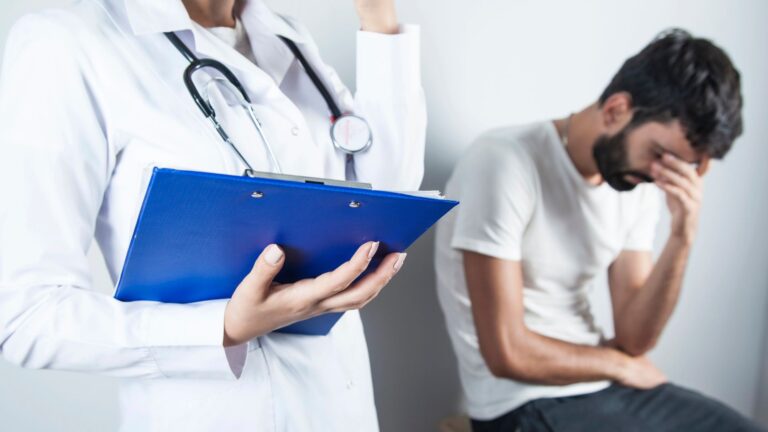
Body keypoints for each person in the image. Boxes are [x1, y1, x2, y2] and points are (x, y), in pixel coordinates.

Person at [0, 0, 424, 430]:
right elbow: (22, 316)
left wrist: (378, 20)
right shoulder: (66, 42)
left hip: (341, 405)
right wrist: (222, 327)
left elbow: (388, 197)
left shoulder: (285, 36)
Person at [435, 29, 763, 431]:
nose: (659, 173)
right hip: (519, 402)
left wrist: (683, 234)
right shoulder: (504, 162)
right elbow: (506, 352)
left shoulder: (636, 181)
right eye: (659, 153)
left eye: (677, 164)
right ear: (616, 110)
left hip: (605, 385)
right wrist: (618, 364)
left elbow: (634, 338)